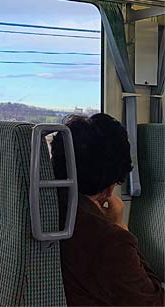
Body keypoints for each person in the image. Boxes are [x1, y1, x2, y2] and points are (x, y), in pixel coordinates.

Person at [51, 113, 164, 306]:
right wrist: (119, 225)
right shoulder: (108, 240)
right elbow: (154, 302)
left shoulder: (47, 210)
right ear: (111, 186)